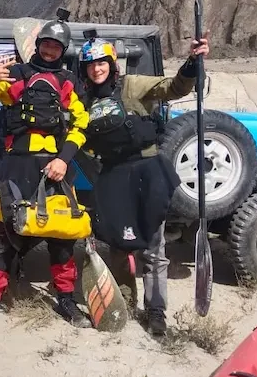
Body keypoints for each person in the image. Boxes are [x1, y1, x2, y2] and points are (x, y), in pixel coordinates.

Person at [0, 19, 92, 334]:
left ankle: (65, 298)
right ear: (38, 45)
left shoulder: (68, 83)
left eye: (56, 46)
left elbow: (80, 124)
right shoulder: (15, 76)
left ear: (62, 50)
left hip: (55, 168)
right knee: (7, 238)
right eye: (46, 44)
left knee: (62, 239)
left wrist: (63, 159)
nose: (50, 50)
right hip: (17, 166)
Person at [77, 33, 210, 336]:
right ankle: (123, 299)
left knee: (153, 248)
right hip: (113, 176)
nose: (97, 68)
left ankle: (156, 311)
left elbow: (174, 88)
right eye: (90, 64)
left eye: (102, 62)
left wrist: (192, 62)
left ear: (111, 64)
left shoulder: (132, 86)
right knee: (119, 244)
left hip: (146, 171)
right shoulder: (83, 103)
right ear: (84, 69)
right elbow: (77, 140)